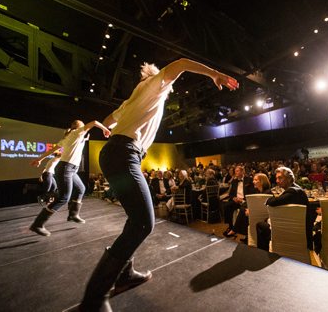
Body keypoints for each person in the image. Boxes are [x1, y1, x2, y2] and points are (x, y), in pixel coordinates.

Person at [79, 58, 238, 311]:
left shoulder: (132, 99)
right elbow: (182, 63)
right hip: (124, 153)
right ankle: (94, 297)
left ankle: (124, 274)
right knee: (143, 222)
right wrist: (214, 73)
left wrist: (106, 129)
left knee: (135, 218)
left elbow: (108, 121)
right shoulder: (154, 85)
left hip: (115, 153)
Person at [29, 120, 110, 236]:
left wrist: (39, 159)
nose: (85, 128)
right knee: (64, 197)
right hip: (66, 168)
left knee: (81, 189)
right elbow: (94, 122)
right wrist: (105, 129)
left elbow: (52, 150)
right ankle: (37, 224)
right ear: (78, 127)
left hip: (70, 169)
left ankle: (73, 214)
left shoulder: (70, 138)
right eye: (83, 126)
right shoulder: (77, 132)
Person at [256, 167, 309, 251]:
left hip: (292, 231)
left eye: (280, 178)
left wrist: (268, 200)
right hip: (298, 226)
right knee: (266, 220)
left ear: (289, 178)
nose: (277, 181)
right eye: (276, 178)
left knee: (260, 225)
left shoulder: (292, 192)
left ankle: (263, 253)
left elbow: (272, 202)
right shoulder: (297, 188)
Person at [227, 173, 271, 243]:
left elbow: (262, 207)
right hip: (256, 211)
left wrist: (251, 210)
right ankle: (244, 234)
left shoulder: (267, 192)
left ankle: (235, 230)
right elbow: (253, 203)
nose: (253, 181)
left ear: (262, 181)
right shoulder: (257, 190)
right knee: (242, 208)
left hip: (263, 214)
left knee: (243, 210)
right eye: (253, 179)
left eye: (256, 180)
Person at [222, 165, 253, 237]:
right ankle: (230, 226)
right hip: (236, 201)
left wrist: (243, 199)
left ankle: (240, 230)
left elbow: (251, 192)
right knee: (227, 206)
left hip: (245, 201)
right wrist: (234, 198)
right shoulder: (234, 181)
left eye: (237, 171)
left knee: (243, 211)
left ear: (242, 171)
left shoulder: (249, 180)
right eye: (235, 171)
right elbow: (231, 194)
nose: (235, 173)